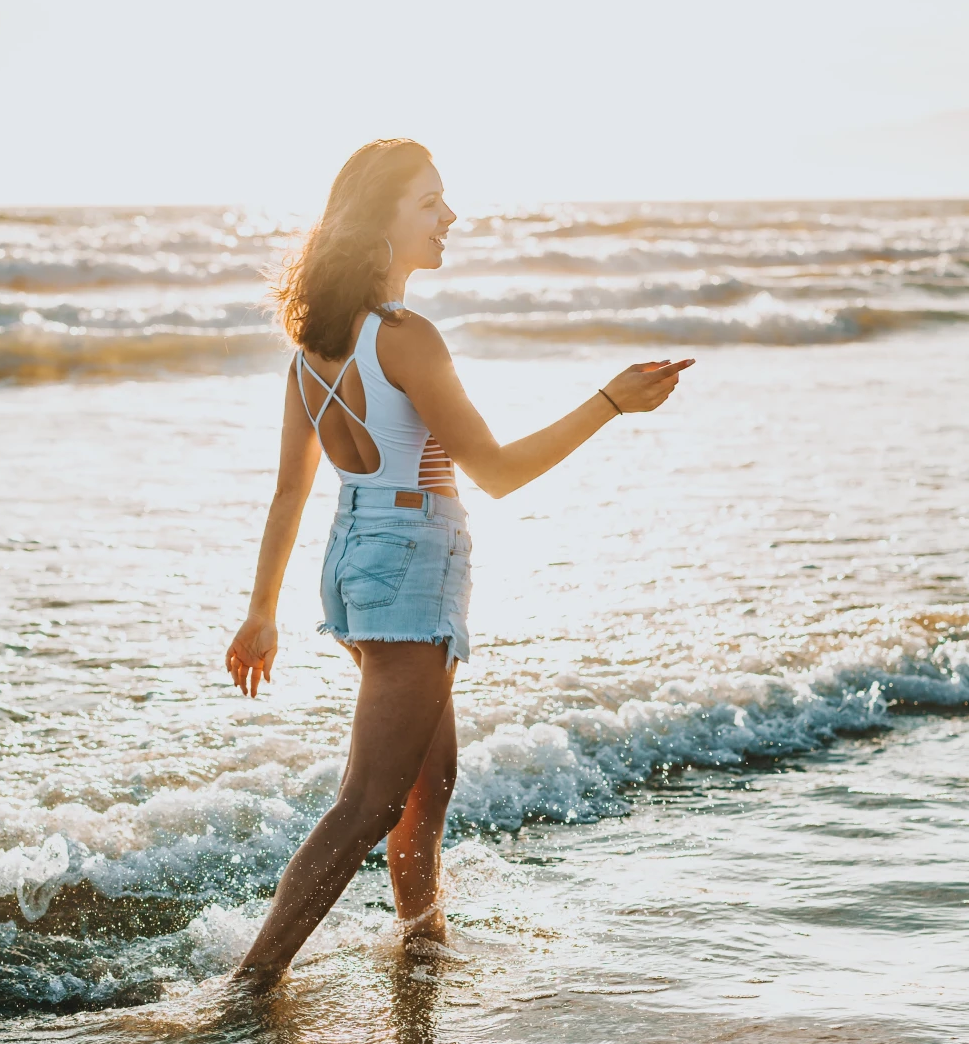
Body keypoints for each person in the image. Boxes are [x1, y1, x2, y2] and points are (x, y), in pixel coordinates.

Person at [226, 138, 692, 986]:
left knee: (427, 781)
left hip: (355, 556)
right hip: (412, 560)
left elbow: (292, 494)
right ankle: (250, 984)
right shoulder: (403, 337)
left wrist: (263, 612)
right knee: (370, 800)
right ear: (381, 222)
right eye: (431, 203)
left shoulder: (314, 349)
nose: (450, 217)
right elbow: (499, 473)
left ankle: (421, 948)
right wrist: (610, 403)